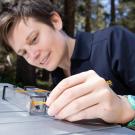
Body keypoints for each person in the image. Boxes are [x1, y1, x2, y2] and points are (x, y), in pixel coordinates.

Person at [0, 0, 135, 127]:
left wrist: (126, 110)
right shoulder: (57, 78)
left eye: (34, 39)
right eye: (23, 52)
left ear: (55, 21)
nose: (33, 56)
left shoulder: (114, 42)